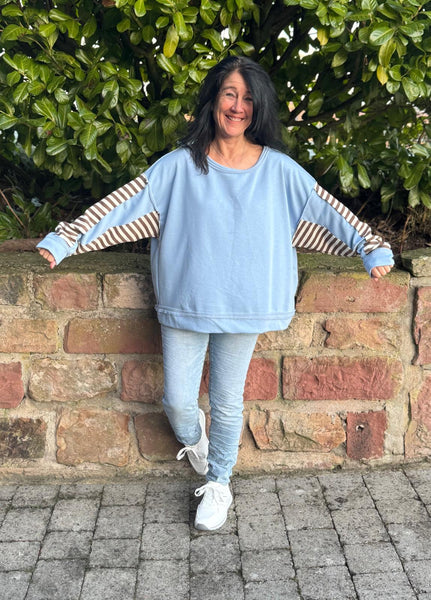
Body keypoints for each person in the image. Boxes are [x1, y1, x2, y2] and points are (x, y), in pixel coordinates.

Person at [37, 56, 394, 531]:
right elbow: (123, 205)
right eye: (229, 93)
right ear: (213, 100)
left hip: (246, 303)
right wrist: (67, 240)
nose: (237, 106)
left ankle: (220, 482)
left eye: (247, 98)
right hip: (187, 302)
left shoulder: (279, 171)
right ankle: (198, 443)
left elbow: (327, 212)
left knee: (227, 402)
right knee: (177, 401)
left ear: (258, 107)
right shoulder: (178, 166)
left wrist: (370, 248)